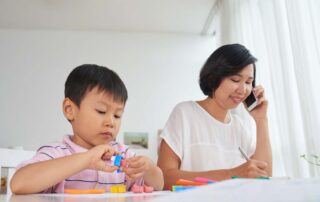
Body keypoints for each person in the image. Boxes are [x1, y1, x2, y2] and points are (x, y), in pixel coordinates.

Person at [10, 64, 164, 194]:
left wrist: (148, 168)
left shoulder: (122, 155)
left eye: (117, 115)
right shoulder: (57, 153)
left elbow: (159, 185)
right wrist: (87, 159)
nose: (111, 122)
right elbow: (18, 183)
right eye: (101, 111)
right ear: (69, 109)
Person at [157, 44, 272, 189]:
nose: (243, 90)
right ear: (214, 77)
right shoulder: (185, 113)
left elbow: (264, 176)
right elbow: (164, 178)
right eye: (235, 80)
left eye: (248, 82)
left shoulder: (240, 126)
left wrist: (261, 120)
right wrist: (231, 175)